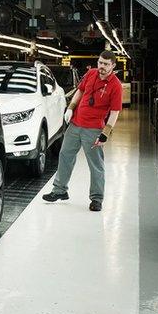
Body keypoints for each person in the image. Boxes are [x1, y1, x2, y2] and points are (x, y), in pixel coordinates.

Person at [42, 50, 123, 211]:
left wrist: (105, 133)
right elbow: (80, 90)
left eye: (106, 64)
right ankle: (59, 191)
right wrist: (71, 108)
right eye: (100, 62)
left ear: (113, 66)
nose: (102, 67)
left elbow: (115, 112)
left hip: (93, 130)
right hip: (75, 125)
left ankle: (97, 199)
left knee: (96, 165)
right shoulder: (91, 73)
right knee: (65, 156)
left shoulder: (116, 86)